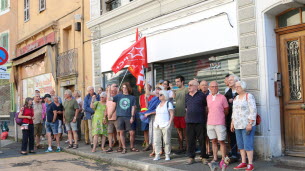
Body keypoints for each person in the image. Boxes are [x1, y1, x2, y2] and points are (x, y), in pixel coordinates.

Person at [231, 81, 257, 171]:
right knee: (240, 145)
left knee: (248, 145)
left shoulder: (248, 96)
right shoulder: (236, 98)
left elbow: (253, 110)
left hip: (247, 125)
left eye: (238, 86)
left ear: (243, 87)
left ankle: (250, 164)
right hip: (238, 124)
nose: (236, 88)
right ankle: (243, 162)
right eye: (236, 86)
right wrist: (232, 122)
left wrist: (250, 123)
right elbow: (234, 112)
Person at [185, 80, 209, 165]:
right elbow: (186, 108)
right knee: (190, 140)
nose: (189, 86)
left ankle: (203, 157)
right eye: (188, 85)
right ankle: (191, 157)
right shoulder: (187, 96)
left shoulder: (201, 95)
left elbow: (206, 108)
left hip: (200, 121)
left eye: (191, 85)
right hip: (189, 121)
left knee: (202, 140)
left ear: (196, 86)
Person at [206, 81, 229, 167]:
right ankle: (215, 158)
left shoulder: (222, 97)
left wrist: (220, 116)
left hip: (220, 122)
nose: (214, 88)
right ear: (209, 88)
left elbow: (226, 110)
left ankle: (223, 158)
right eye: (212, 87)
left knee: (221, 141)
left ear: (218, 87)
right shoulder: (208, 97)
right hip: (210, 123)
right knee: (213, 141)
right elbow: (208, 109)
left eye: (216, 86)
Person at [111, 82, 138, 154]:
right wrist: (108, 90)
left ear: (128, 88)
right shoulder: (119, 96)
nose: (124, 89)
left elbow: (133, 107)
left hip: (128, 116)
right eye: (123, 87)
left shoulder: (132, 97)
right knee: (121, 132)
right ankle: (124, 147)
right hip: (120, 116)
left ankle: (132, 147)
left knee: (132, 132)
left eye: (125, 87)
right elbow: (110, 99)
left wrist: (132, 117)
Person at [153, 90, 174, 161]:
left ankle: (167, 154)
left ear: (165, 96)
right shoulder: (158, 105)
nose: (159, 96)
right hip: (157, 125)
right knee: (156, 140)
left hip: (165, 124)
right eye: (159, 94)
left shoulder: (168, 104)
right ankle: (157, 154)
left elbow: (172, 114)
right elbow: (156, 114)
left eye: (161, 95)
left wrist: (169, 123)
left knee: (167, 141)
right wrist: (155, 122)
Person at [143, 86, 162, 157]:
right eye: (157, 89)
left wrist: (149, 113)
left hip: (158, 118)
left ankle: (159, 150)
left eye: (159, 89)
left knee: (157, 134)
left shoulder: (161, 99)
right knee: (152, 134)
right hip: (152, 118)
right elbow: (148, 107)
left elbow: (158, 110)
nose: (157, 91)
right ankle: (154, 150)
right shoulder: (154, 98)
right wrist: (146, 99)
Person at [225, 74, 239, 159]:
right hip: (230, 118)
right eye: (228, 80)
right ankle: (233, 153)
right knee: (232, 136)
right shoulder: (228, 92)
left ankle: (242, 154)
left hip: (239, 118)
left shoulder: (240, 91)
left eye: (231, 80)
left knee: (240, 137)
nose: (228, 82)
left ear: (236, 81)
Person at [173, 75, 188, 153]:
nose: (176, 83)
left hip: (184, 114)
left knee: (186, 133)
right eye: (176, 82)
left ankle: (188, 148)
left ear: (182, 82)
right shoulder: (176, 91)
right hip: (176, 114)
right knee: (179, 132)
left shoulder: (186, 89)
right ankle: (181, 147)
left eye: (178, 81)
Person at [105, 84, 121, 153]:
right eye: (111, 91)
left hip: (116, 117)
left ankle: (120, 146)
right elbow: (106, 108)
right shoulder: (108, 99)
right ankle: (110, 146)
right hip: (109, 118)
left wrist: (116, 89)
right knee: (110, 132)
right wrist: (104, 117)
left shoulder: (117, 97)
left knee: (118, 132)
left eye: (114, 91)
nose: (112, 92)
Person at [139, 83, 154, 151]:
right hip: (143, 114)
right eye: (145, 88)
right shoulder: (141, 96)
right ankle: (147, 144)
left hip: (151, 113)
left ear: (150, 89)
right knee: (145, 130)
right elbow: (140, 105)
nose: (146, 89)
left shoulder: (153, 96)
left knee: (152, 129)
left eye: (148, 88)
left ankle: (153, 144)